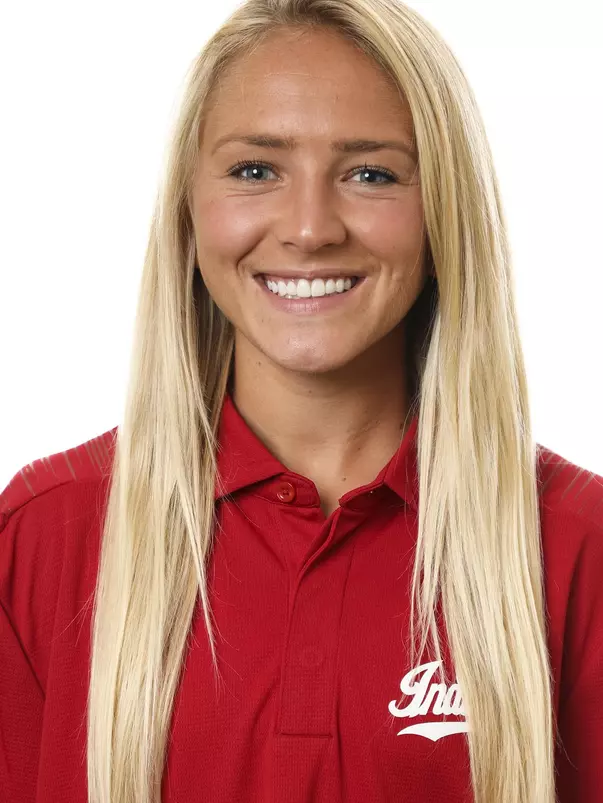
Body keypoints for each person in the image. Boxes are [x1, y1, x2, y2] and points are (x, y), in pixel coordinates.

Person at [1, 1, 602, 801]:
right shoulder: (45, 533)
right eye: (256, 170)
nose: (310, 228)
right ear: (189, 211)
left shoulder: (576, 545)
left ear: (443, 216)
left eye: (370, 174)